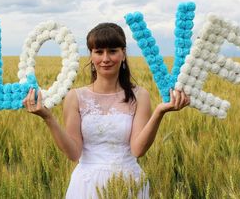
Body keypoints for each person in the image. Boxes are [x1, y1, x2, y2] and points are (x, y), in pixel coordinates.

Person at [23, 23, 190, 198]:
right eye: (99, 51)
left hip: (128, 183)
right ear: (91, 55)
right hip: (86, 185)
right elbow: (74, 153)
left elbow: (137, 150)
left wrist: (159, 112)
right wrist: (48, 118)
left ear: (123, 54)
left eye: (112, 51)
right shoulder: (75, 97)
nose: (105, 58)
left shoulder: (140, 96)